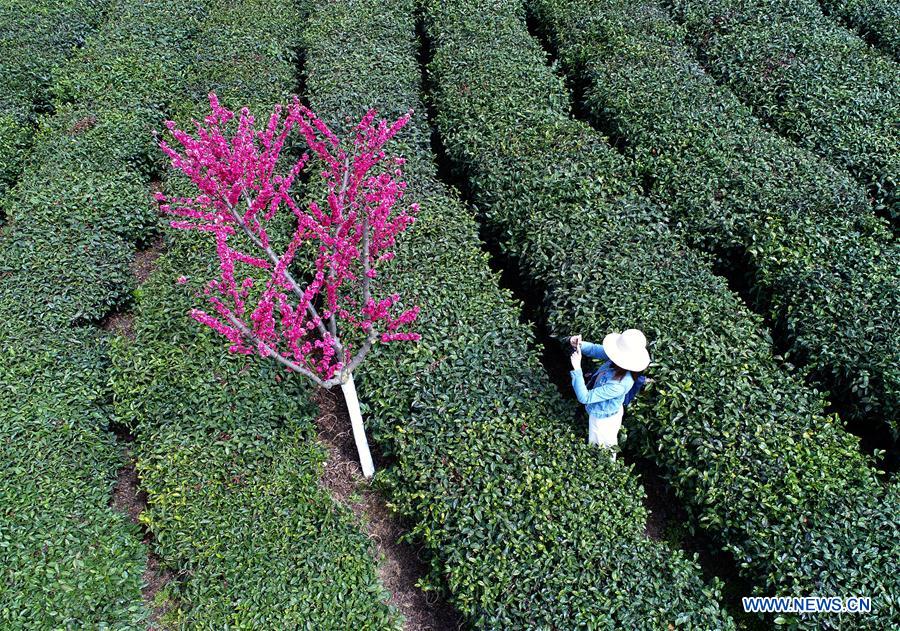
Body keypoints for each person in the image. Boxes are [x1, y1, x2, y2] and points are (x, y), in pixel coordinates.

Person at [568, 329, 650, 460]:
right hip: (609, 410)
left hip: (602, 420)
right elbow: (596, 349)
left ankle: (606, 474)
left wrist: (577, 368)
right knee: (604, 444)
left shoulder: (620, 384)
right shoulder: (619, 361)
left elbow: (585, 397)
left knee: (602, 450)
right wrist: (579, 344)